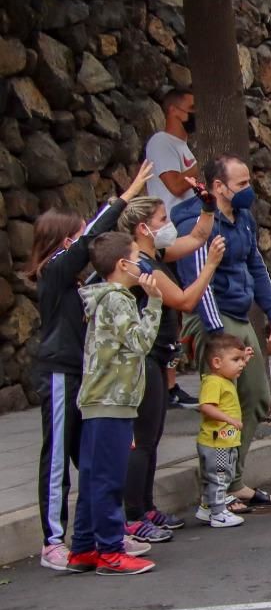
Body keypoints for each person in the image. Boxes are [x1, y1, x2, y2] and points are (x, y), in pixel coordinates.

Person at [28, 164, 150, 571]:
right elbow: (89, 243)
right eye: (80, 236)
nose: (88, 243)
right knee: (59, 455)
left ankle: (103, 535)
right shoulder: (54, 272)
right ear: (66, 242)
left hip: (84, 378)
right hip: (60, 372)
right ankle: (52, 540)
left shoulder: (79, 282)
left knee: (94, 459)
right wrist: (125, 195)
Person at [173, 156, 271, 508]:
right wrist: (217, 335)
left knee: (254, 398)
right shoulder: (196, 222)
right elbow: (198, 280)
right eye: (241, 184)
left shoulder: (244, 219)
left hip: (238, 315)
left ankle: (233, 481)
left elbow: (255, 264)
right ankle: (216, 489)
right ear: (217, 187)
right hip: (212, 317)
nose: (249, 190)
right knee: (221, 403)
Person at [117, 197, 224, 543]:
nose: (168, 223)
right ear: (143, 229)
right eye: (163, 218)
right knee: (143, 440)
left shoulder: (156, 256)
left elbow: (195, 236)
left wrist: (208, 204)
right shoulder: (143, 267)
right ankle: (133, 514)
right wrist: (209, 266)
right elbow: (184, 300)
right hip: (143, 358)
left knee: (153, 436)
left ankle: (146, 506)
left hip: (159, 357)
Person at [67, 232, 163, 575]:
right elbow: (140, 342)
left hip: (99, 399)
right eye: (137, 257)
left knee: (94, 477)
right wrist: (153, 302)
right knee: (108, 479)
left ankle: (83, 548)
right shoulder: (119, 299)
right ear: (123, 264)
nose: (142, 263)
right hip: (113, 400)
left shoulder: (102, 299)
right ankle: (109, 549)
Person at [142, 90, 202, 409]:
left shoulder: (183, 147)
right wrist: (199, 164)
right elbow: (176, 186)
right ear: (174, 110)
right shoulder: (161, 143)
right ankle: (166, 385)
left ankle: (171, 383)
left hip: (182, 235)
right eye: (191, 108)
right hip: (165, 238)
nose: (196, 113)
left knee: (178, 314)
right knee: (172, 310)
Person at [195, 335, 249, 530]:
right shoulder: (214, 382)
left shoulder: (224, 379)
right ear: (216, 362)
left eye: (242, 359)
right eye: (236, 360)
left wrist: (242, 357)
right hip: (216, 442)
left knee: (222, 475)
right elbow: (206, 406)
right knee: (219, 476)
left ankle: (208, 507)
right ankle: (218, 513)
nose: (241, 364)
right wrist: (229, 420)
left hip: (225, 441)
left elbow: (233, 365)